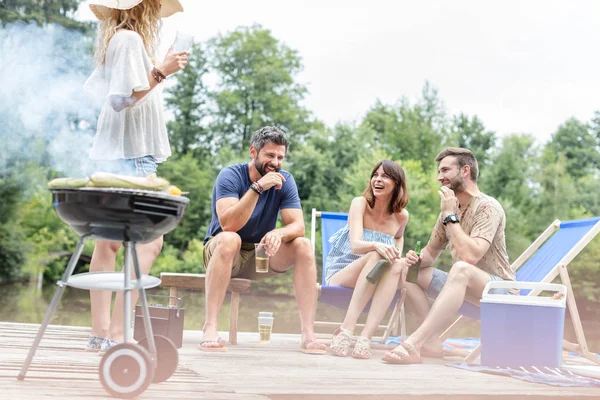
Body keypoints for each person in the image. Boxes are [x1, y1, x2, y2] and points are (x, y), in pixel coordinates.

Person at [83, 0, 189, 353]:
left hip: (116, 152)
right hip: (130, 156)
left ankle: (102, 332)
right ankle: (117, 332)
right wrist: (162, 71)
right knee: (149, 241)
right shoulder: (127, 40)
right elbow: (120, 99)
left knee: (107, 243)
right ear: (141, 9)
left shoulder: (122, 40)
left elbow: (112, 94)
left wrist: (158, 67)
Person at [200, 126, 327, 354]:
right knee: (230, 239)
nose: (276, 162)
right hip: (223, 252)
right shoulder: (230, 175)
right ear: (253, 152)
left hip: (260, 255)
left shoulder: (285, 180)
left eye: (280, 157)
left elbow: (298, 225)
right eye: (270, 155)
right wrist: (258, 187)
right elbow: (228, 224)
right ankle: (210, 327)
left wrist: (278, 233)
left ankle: (308, 334)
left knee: (303, 245)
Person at [383, 147, 516, 364]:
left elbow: (470, 257)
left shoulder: (488, 207)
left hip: (499, 291)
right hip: (463, 286)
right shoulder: (450, 209)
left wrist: (449, 216)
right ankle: (432, 342)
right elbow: (431, 253)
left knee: (461, 268)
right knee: (406, 270)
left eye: (445, 170)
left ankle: (414, 342)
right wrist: (415, 259)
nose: (439, 177)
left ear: (465, 170)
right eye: (439, 171)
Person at [326, 160, 412, 359]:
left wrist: (404, 258)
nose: (377, 180)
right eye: (375, 175)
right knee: (377, 254)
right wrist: (377, 246)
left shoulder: (401, 217)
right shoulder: (360, 203)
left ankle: (366, 336)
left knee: (396, 264)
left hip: (376, 275)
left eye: (385, 176)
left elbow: (397, 248)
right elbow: (356, 245)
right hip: (343, 272)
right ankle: (346, 330)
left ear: (397, 184)